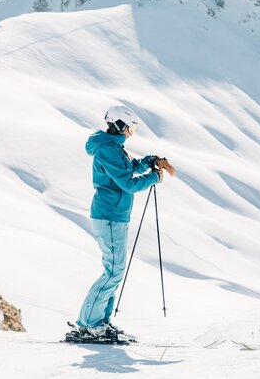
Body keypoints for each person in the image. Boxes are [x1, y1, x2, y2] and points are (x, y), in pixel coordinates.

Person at [72, 105, 174, 342]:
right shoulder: (107, 150)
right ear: (120, 125)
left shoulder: (113, 148)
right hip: (109, 215)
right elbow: (128, 183)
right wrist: (154, 177)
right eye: (131, 127)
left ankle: (100, 322)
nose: (132, 132)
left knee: (115, 270)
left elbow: (127, 168)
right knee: (114, 270)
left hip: (115, 215)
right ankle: (90, 323)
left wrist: (150, 161)